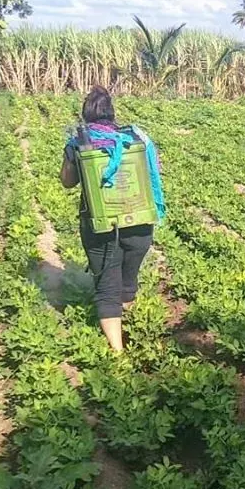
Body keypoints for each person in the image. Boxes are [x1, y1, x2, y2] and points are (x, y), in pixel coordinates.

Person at [60, 86, 157, 353]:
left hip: (102, 227)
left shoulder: (80, 142)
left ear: (86, 115)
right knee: (128, 281)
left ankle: (117, 353)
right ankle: (133, 332)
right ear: (112, 113)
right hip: (140, 225)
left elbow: (67, 182)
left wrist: (72, 159)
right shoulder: (136, 137)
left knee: (107, 288)